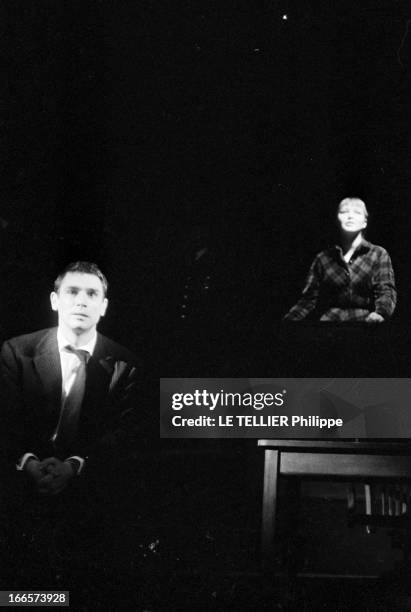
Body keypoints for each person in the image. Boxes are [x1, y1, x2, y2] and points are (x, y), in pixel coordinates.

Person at [0, 261, 140, 601]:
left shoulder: (124, 362)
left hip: (87, 484)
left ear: (104, 306)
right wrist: (31, 464)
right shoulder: (16, 351)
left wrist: (74, 465)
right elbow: (6, 420)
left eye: (92, 294)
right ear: (54, 300)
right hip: (21, 480)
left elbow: (122, 432)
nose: (81, 301)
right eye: (72, 292)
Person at [284, 197, 396, 323]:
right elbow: (308, 299)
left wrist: (380, 314)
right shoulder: (323, 258)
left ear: (365, 222)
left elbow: (385, 291)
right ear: (337, 219)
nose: (350, 216)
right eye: (344, 212)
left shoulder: (378, 254)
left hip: (364, 325)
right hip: (329, 325)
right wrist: (287, 324)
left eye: (357, 212)